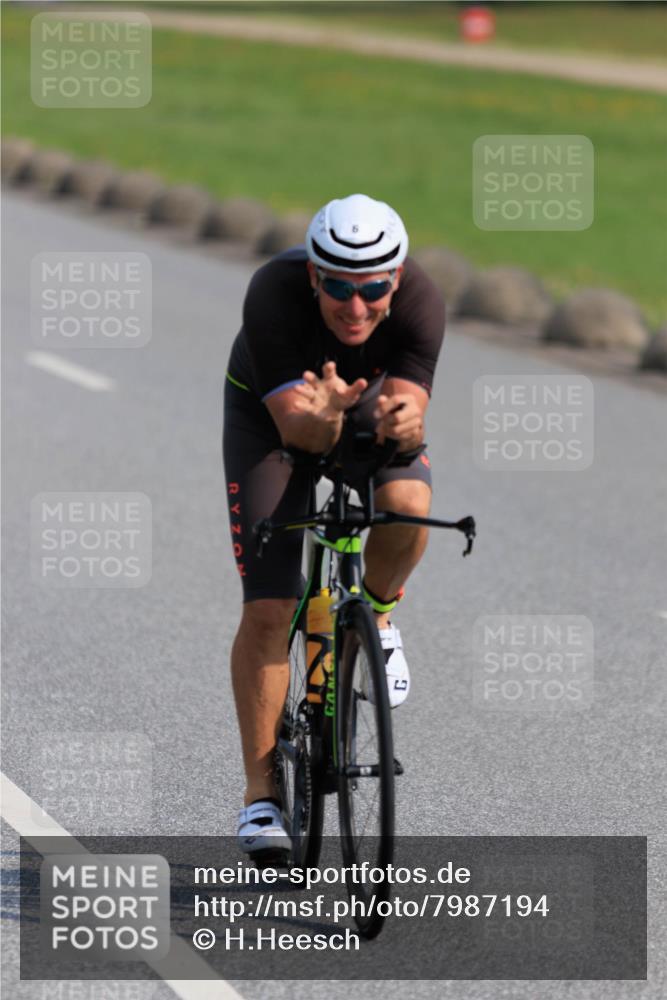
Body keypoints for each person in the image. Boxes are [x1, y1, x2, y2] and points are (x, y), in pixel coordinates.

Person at [223, 194, 445, 857]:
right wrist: (324, 418)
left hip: (364, 405)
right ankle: (260, 797)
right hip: (272, 418)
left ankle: (374, 616)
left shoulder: (420, 302)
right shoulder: (273, 292)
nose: (356, 307)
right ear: (315, 276)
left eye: (373, 288)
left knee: (406, 505)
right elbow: (299, 430)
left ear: (395, 280)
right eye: (340, 289)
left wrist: (404, 424)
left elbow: (410, 408)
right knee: (270, 605)